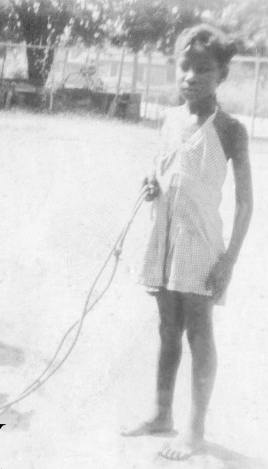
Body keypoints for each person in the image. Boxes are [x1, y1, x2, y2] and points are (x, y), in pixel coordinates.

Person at [122, 24, 253, 460]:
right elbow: (162, 169)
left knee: (199, 333)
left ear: (222, 75)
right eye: (185, 67)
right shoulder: (170, 119)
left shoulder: (231, 129)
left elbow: (246, 205)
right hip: (165, 238)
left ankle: (194, 431)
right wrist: (150, 183)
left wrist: (228, 262)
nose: (191, 77)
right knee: (166, 329)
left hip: (202, 247)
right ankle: (162, 414)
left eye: (203, 69)